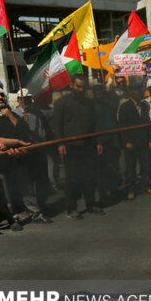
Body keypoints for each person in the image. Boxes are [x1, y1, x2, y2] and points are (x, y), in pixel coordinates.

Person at [0, 88, 51, 229]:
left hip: (17, 159)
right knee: (6, 193)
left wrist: (11, 116)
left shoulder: (11, 114)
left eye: (3, 95)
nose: (1, 98)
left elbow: (24, 132)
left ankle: (35, 213)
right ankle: (13, 219)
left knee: (26, 188)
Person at [53, 74, 104, 219]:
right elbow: (57, 125)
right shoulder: (62, 103)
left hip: (88, 145)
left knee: (90, 177)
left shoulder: (89, 103)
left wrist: (98, 142)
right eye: (78, 86)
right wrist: (60, 143)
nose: (81, 89)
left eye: (83, 87)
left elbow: (95, 124)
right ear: (71, 85)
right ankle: (71, 208)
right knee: (72, 179)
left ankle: (91, 204)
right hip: (71, 146)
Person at [118, 78, 151, 200]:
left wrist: (150, 140)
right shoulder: (125, 106)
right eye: (136, 90)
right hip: (131, 143)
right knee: (131, 168)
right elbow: (122, 126)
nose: (139, 92)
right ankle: (131, 189)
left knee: (146, 166)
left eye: (140, 90)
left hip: (144, 141)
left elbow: (148, 124)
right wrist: (126, 142)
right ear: (130, 92)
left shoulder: (145, 106)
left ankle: (146, 187)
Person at [92, 84, 121, 207]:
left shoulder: (110, 103)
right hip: (100, 142)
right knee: (101, 170)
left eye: (101, 93)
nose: (99, 96)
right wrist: (98, 141)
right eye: (97, 93)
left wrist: (108, 89)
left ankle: (114, 190)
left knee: (114, 167)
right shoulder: (92, 106)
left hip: (113, 141)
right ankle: (103, 194)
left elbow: (116, 101)